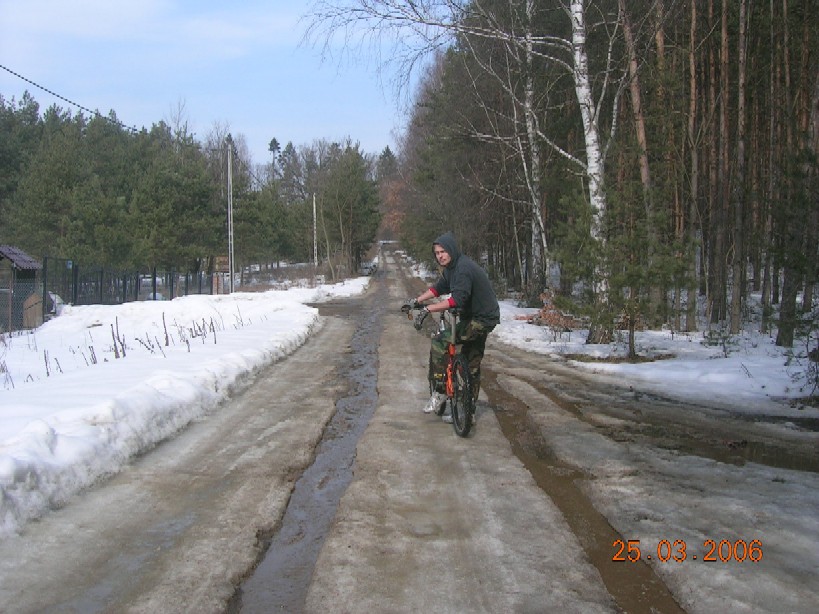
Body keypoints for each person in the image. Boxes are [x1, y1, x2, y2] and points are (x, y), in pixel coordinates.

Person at [403, 232, 500, 420]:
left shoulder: (463, 269)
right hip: (483, 318)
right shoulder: (452, 268)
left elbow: (457, 299)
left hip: (479, 320)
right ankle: (468, 413)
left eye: (443, 251)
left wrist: (429, 309)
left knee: (440, 342)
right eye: (437, 253)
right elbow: (439, 287)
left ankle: (439, 391)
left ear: (452, 250)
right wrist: (416, 300)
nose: (440, 255)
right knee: (471, 364)